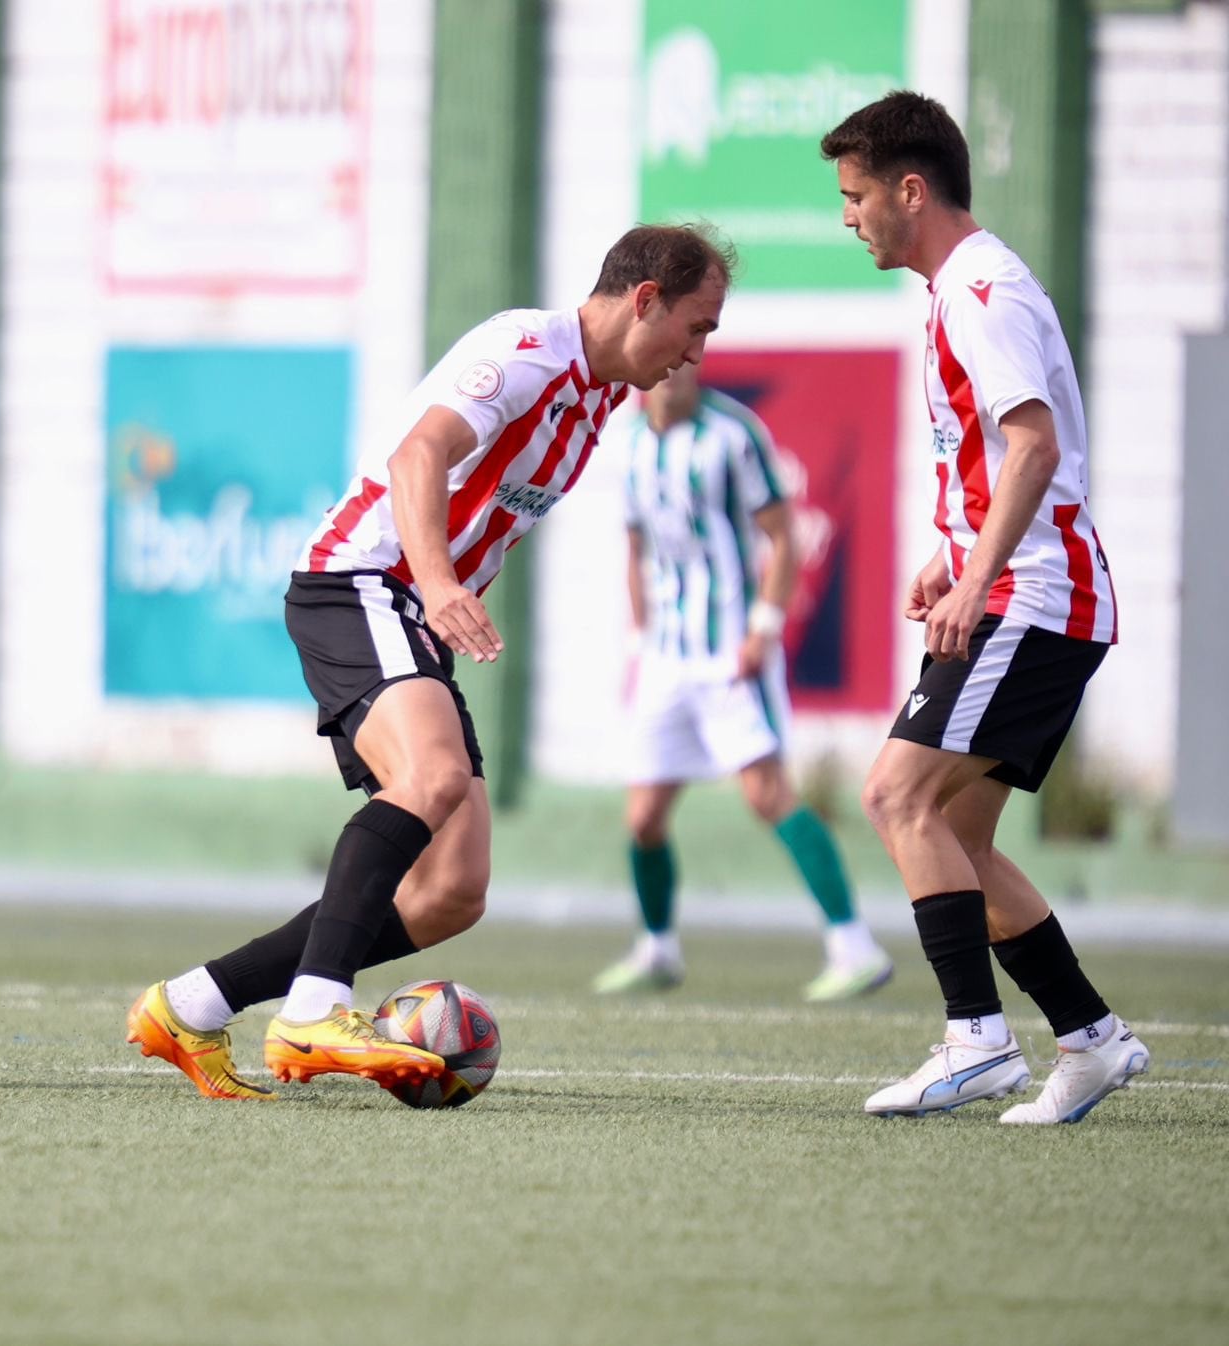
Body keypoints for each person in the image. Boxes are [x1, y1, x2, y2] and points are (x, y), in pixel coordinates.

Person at [128, 224, 735, 1099]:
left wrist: (442, 590)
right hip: (362, 582)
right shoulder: (525, 350)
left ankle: (192, 1003)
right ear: (645, 300)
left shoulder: (601, 394)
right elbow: (420, 453)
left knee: (452, 890)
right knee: (433, 775)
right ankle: (313, 1009)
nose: (698, 352)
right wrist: (444, 584)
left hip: (412, 608)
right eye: (697, 326)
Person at [822, 92, 1148, 1123]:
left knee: (891, 795)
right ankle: (1091, 1039)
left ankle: (975, 1039)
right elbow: (1002, 461)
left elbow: (1035, 444)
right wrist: (949, 552)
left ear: (908, 190)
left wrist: (974, 577)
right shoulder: (958, 286)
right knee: (955, 835)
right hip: (1017, 587)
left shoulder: (979, 289)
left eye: (856, 194)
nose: (848, 216)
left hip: (1033, 599)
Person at [594, 363, 894, 999]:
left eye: (689, 354)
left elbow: (783, 536)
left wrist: (763, 628)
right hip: (665, 657)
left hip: (730, 652)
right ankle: (657, 949)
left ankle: (854, 946)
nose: (677, 368)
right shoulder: (624, 439)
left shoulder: (734, 433)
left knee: (766, 794)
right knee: (644, 815)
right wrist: (637, 641)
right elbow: (632, 547)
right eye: (665, 358)